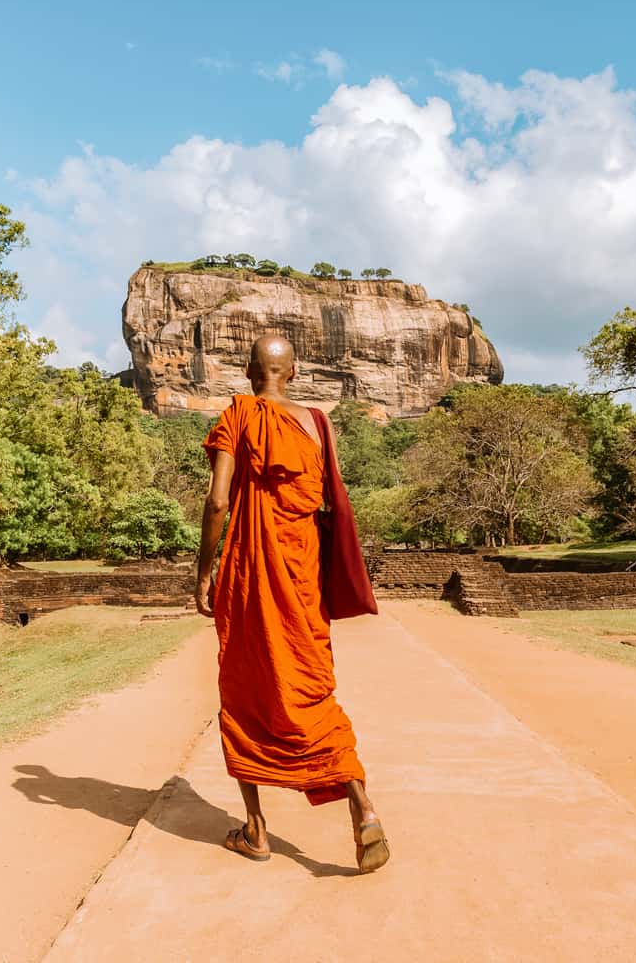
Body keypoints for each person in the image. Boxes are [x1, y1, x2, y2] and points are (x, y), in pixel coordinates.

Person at [195, 334, 390, 874]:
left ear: (248, 369)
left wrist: (202, 569)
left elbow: (217, 501)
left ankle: (256, 831)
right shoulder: (316, 423)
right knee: (308, 689)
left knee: (243, 691)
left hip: (250, 570)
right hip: (301, 572)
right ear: (294, 371)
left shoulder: (239, 414)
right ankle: (362, 804)